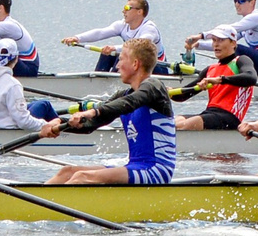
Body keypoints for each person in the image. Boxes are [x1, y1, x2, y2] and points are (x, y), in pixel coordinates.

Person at [37, 38, 176, 185]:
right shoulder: (123, 95)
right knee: (68, 172)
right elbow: (90, 124)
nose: (117, 65)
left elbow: (130, 102)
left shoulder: (155, 87)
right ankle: (33, 204)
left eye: (121, 59)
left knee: (82, 177)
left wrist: (92, 111)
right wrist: (58, 122)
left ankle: (50, 206)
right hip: (135, 166)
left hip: (156, 170)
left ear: (135, 64)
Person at [173, 26, 258, 132]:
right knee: (175, 121)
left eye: (221, 40)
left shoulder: (241, 61)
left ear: (233, 43)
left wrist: (219, 80)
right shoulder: (210, 70)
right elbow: (182, 96)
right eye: (214, 40)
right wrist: (166, 91)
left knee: (186, 125)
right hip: (209, 114)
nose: (216, 44)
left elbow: (251, 78)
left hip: (230, 117)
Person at [184, 0, 258, 75]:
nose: (237, 4)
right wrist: (197, 44)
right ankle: (222, 74)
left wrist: (200, 36)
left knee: (236, 47)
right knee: (229, 44)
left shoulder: (257, 18)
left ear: (252, 2)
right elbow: (223, 42)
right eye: (235, 1)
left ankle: (223, 75)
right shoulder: (246, 25)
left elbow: (227, 30)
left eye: (241, 1)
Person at [64, 0, 162, 73]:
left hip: (156, 67)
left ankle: (115, 81)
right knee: (107, 54)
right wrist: (77, 38)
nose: (123, 11)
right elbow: (100, 33)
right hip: (136, 63)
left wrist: (114, 48)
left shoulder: (149, 29)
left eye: (127, 8)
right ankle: (100, 79)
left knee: (119, 54)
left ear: (139, 12)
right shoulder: (122, 25)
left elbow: (138, 46)